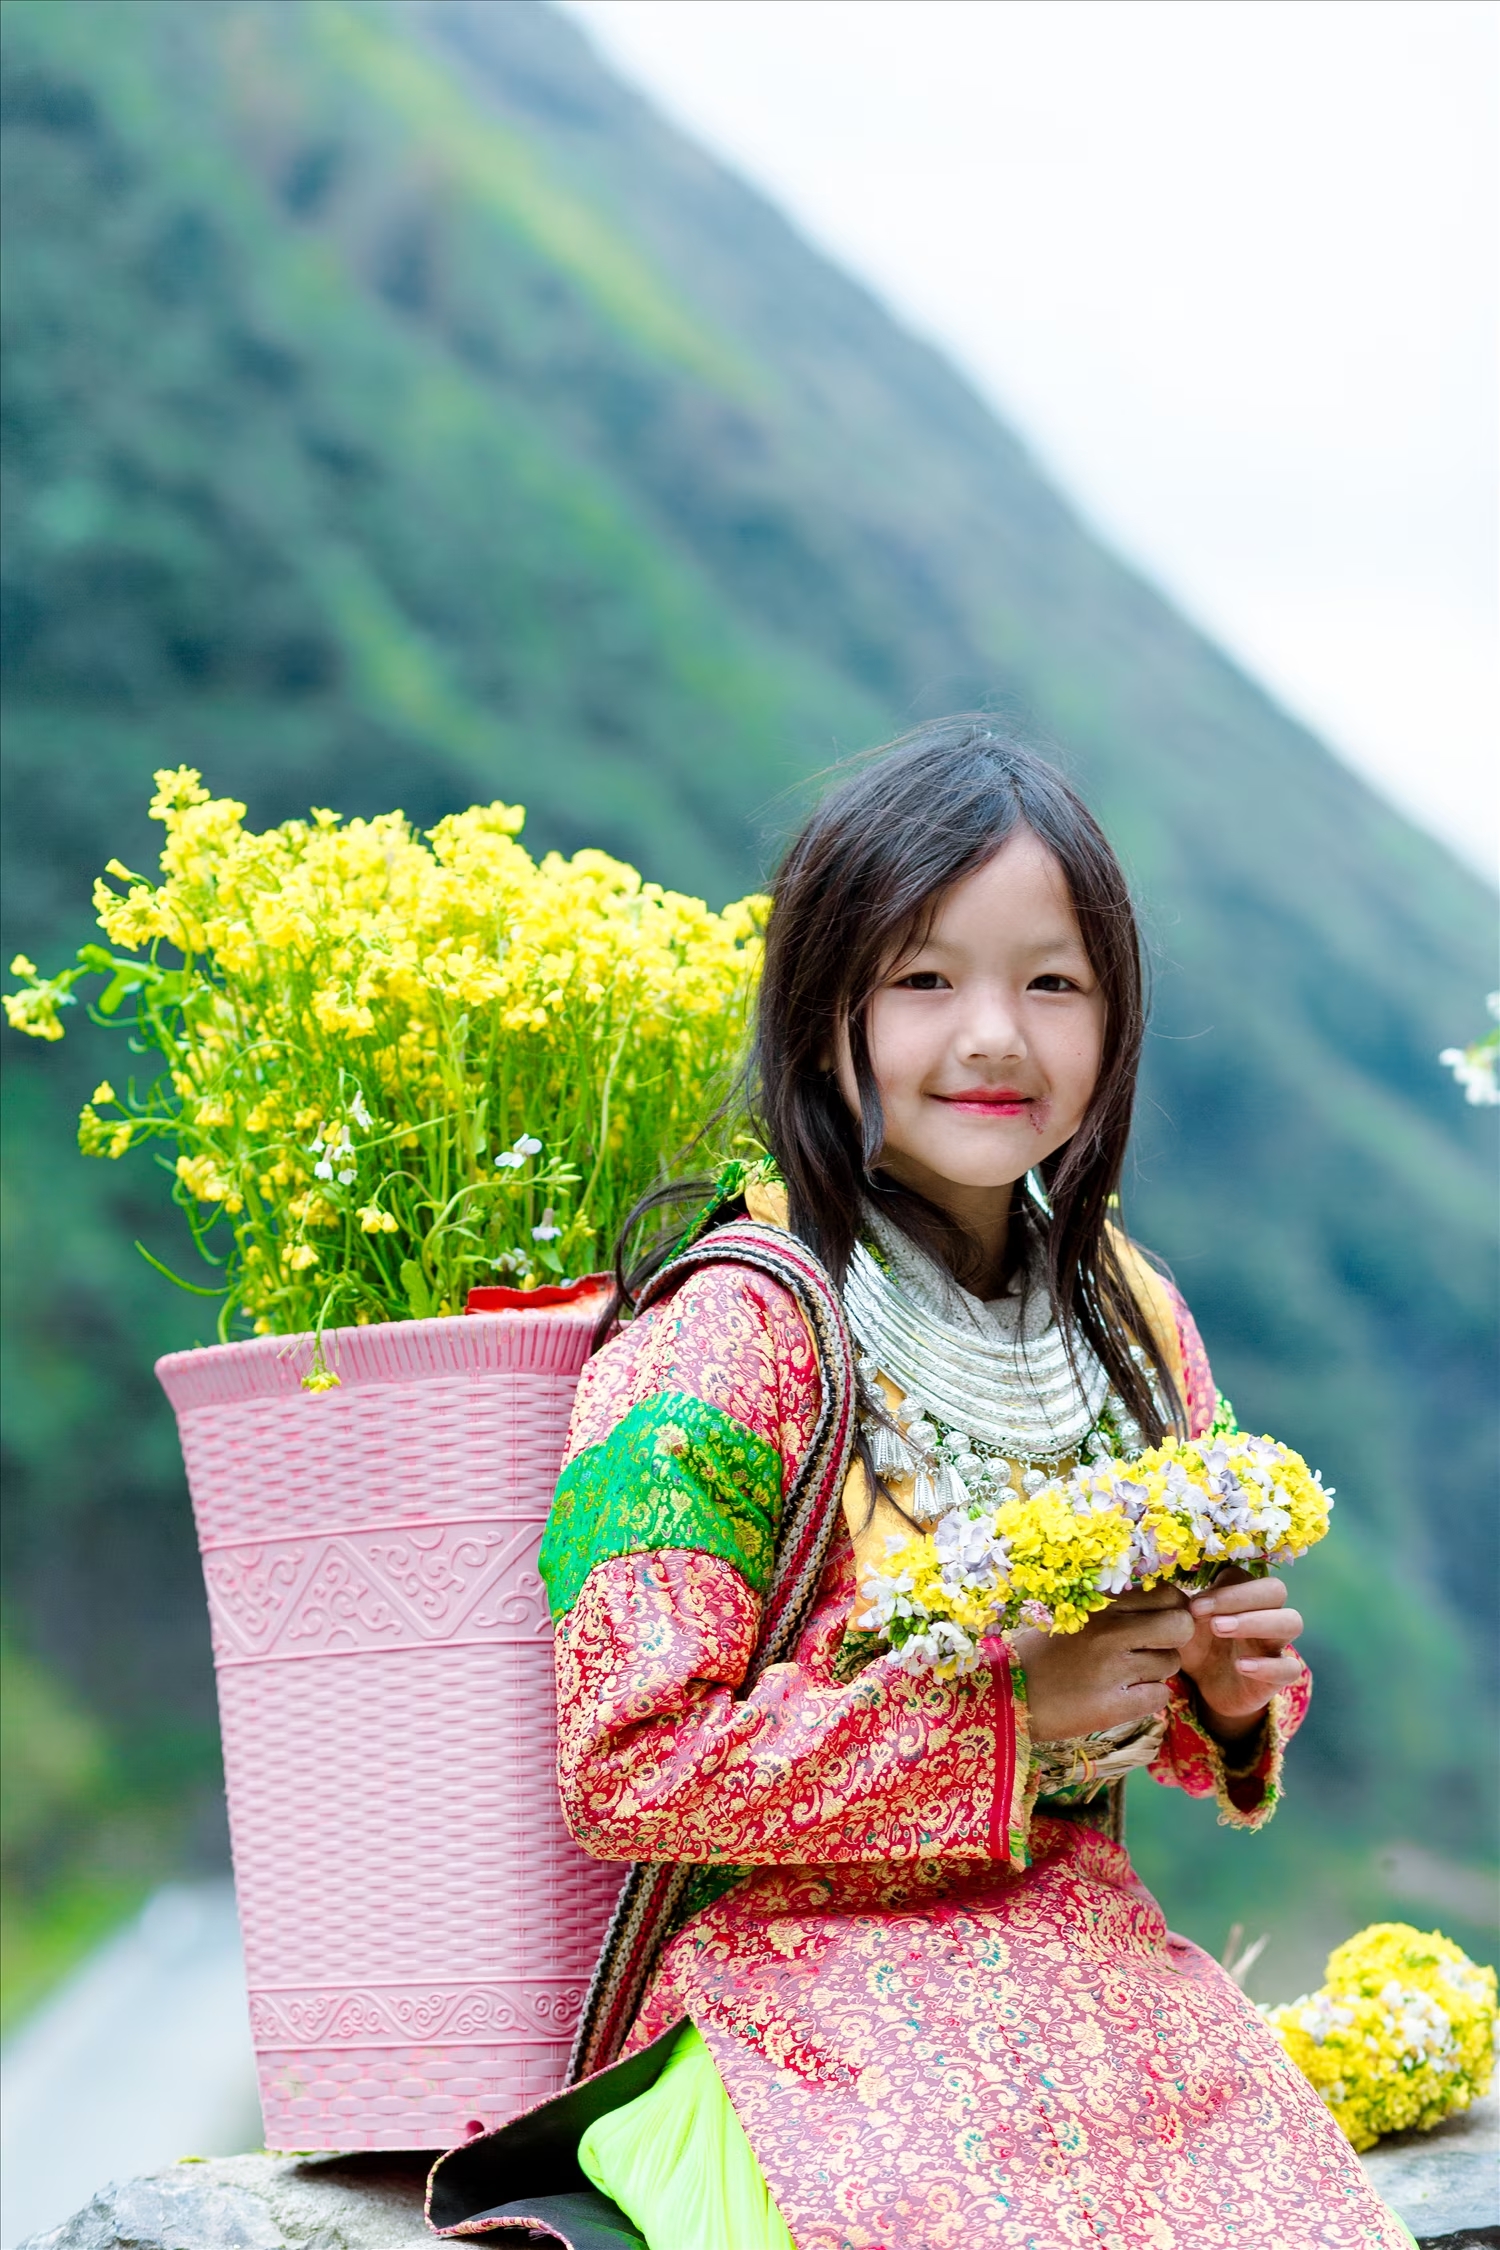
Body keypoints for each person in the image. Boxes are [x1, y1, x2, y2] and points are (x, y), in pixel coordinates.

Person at [427, 721, 1414, 2248]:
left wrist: (1218, 1689)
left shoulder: (1132, 1320)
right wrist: (1023, 1707)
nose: (996, 1038)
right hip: (786, 2018)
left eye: (1054, 982)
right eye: (927, 978)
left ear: (1117, 1022)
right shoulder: (729, 1332)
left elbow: (1164, 1721)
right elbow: (629, 1762)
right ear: (826, 1005)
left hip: (1088, 1982)